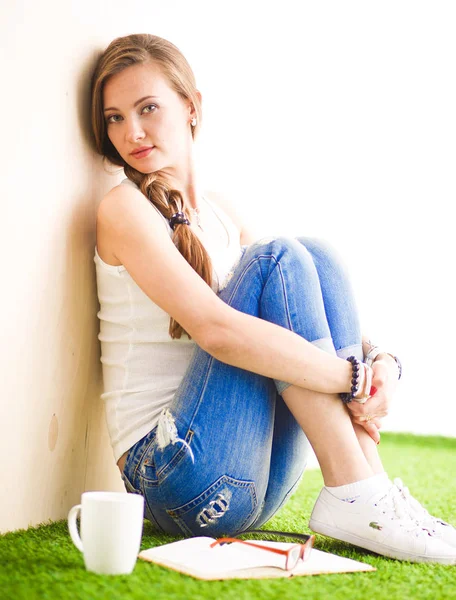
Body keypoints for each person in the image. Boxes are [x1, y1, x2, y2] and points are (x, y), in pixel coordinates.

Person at [90, 33, 456, 564]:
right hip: (172, 478)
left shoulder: (220, 213)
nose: (133, 131)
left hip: (254, 479)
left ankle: (368, 487)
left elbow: (303, 303)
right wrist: (348, 379)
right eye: (115, 118)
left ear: (191, 108)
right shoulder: (123, 209)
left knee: (314, 255)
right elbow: (217, 331)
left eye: (148, 108)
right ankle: (357, 487)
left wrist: (382, 365)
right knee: (278, 258)